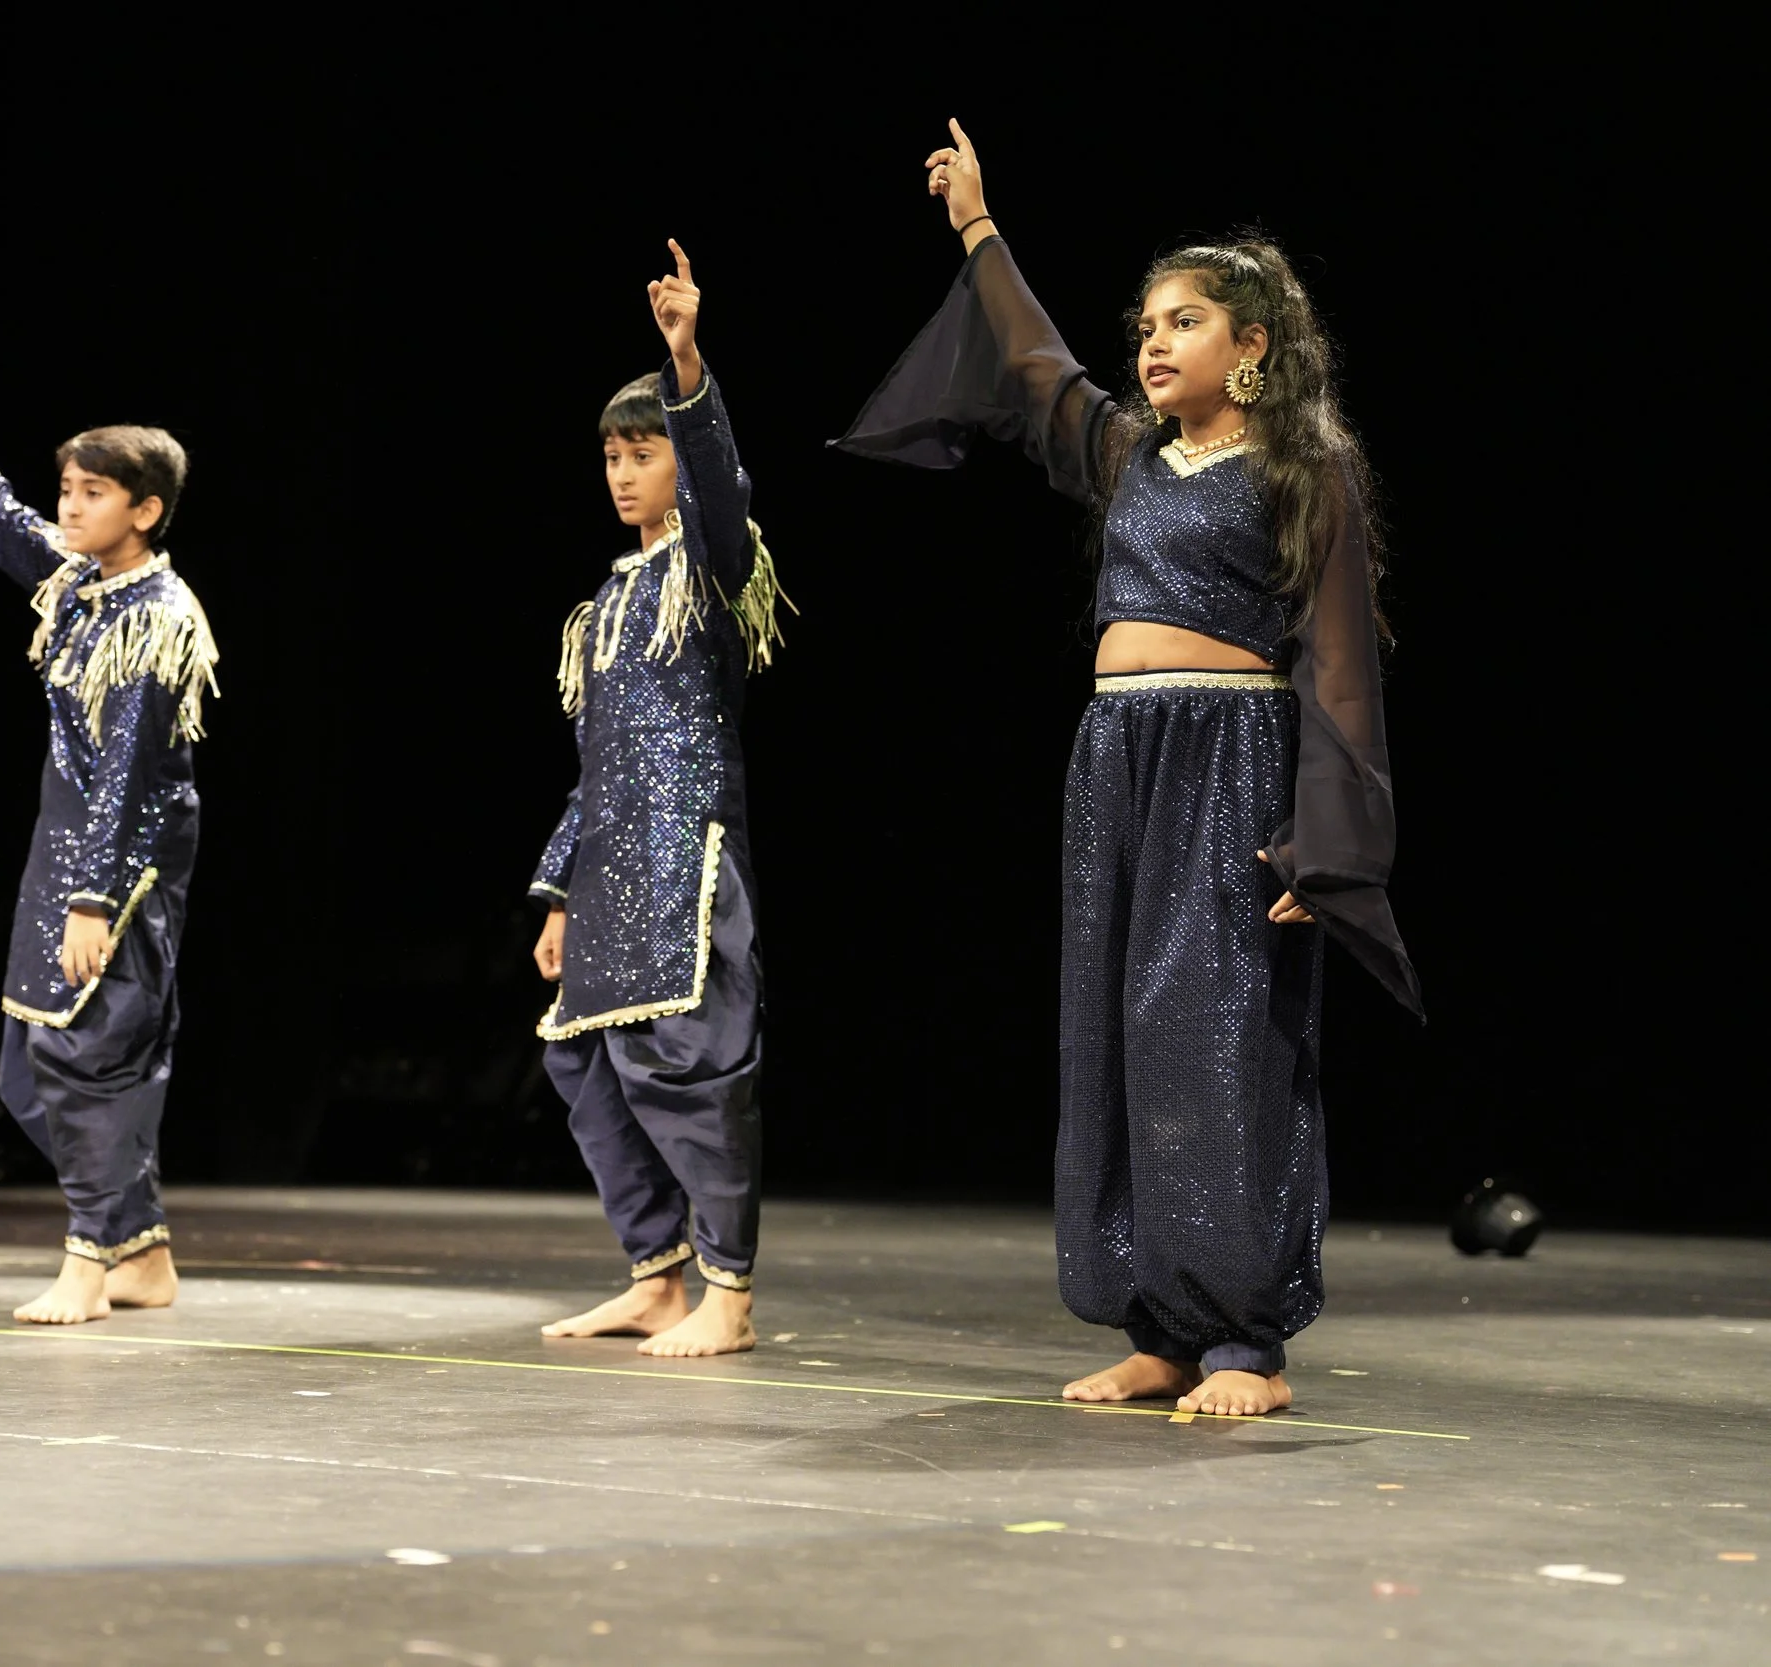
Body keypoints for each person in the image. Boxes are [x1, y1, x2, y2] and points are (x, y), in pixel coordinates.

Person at [836, 122, 1423, 1416]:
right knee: (1120, 1034)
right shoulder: (1127, 456)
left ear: (1253, 349)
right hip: (1116, 760)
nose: (1153, 341)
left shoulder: (1299, 470)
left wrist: (1323, 850)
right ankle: (1157, 1318)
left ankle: (1245, 1341)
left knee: (1217, 1041)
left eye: (1186, 321)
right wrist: (979, 229)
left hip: (1229, 759)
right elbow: (1033, 359)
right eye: (1145, 322)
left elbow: (1336, 672)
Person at [0, 310, 215, 1325]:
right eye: (66, 486)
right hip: (58, 850)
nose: (67, 504)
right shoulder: (77, 587)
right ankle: (139, 1247)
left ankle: (88, 1261)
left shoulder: (156, 620)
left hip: (122, 859)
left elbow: (130, 779)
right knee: (27, 1071)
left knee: (86, 1058)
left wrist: (95, 897)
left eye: (91, 491)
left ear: (143, 510)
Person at [532, 242, 791, 1359]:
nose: (623, 472)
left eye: (643, 453)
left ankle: (727, 1290)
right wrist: (555, 885)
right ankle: (654, 1271)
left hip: (687, 858)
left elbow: (722, 488)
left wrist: (686, 367)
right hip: (609, 864)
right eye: (611, 456)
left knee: (691, 1067)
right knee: (585, 1062)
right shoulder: (607, 599)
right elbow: (596, 760)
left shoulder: (713, 567)